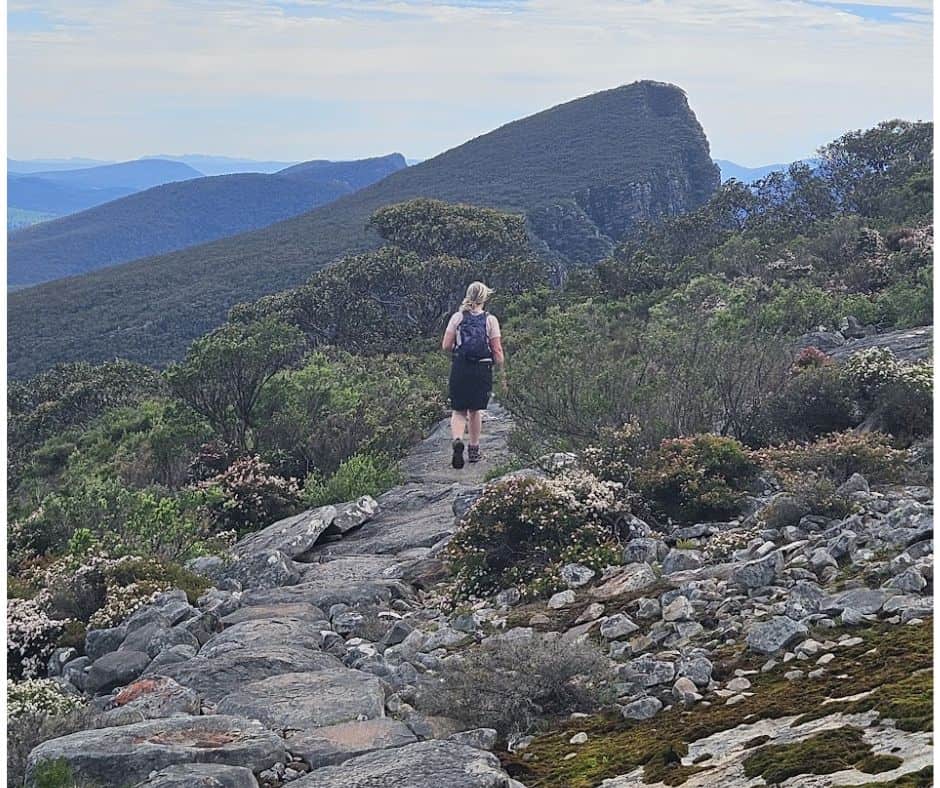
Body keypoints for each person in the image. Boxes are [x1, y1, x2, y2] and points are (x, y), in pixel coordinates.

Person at [442, 281, 506, 469]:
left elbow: (445, 345)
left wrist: (458, 352)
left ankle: (457, 439)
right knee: (475, 410)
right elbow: (497, 350)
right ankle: (474, 449)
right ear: (484, 297)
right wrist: (502, 374)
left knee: (458, 410)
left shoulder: (457, 317)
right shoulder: (490, 320)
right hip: (482, 369)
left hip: (461, 367)